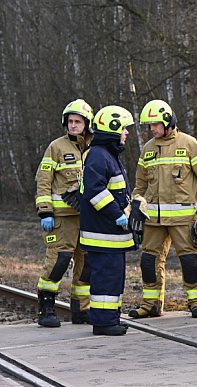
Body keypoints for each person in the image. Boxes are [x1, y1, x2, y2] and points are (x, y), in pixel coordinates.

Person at [128, 99, 197, 319]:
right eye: (149, 125)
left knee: (190, 261)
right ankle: (151, 305)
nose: (152, 129)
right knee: (149, 262)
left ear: (168, 122)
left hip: (183, 219)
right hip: (153, 220)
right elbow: (140, 186)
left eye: (155, 124)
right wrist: (135, 205)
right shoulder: (147, 149)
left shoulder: (189, 144)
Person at [34, 99, 94, 327]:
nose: (73, 125)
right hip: (62, 219)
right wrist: (45, 212)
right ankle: (46, 309)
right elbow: (43, 181)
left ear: (87, 124)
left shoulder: (94, 148)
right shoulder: (56, 147)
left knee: (85, 264)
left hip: (87, 218)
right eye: (70, 121)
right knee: (58, 261)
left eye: (78, 121)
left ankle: (81, 309)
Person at [79, 105, 135, 335]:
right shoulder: (99, 155)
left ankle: (111, 318)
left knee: (113, 279)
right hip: (103, 234)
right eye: (124, 128)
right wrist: (117, 215)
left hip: (111, 235)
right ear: (113, 129)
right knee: (106, 278)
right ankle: (103, 323)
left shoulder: (107, 155)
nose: (126, 133)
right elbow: (95, 191)